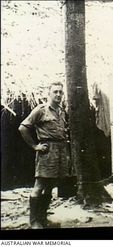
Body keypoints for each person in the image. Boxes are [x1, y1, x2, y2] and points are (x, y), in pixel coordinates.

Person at [18, 82, 70, 229]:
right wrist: (35, 146)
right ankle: (34, 221)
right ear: (49, 93)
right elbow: (23, 127)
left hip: (60, 151)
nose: (58, 95)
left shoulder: (61, 111)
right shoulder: (41, 110)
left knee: (51, 185)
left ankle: (43, 218)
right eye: (55, 92)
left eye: (61, 92)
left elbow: (63, 134)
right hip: (47, 152)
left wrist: (66, 154)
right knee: (39, 185)